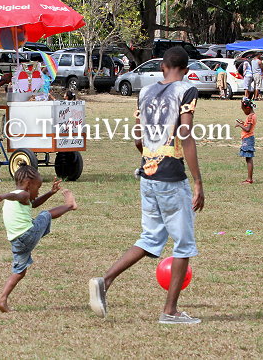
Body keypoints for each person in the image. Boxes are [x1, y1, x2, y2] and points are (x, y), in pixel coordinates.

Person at [88, 46, 205, 325]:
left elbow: (138, 139)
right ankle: (170, 312)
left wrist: (150, 156)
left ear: (162, 67)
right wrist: (198, 181)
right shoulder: (186, 90)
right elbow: (186, 136)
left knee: (151, 238)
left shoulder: (145, 92)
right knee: (184, 245)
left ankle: (105, 281)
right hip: (171, 177)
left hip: (148, 175)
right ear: (186, 70)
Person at [0, 164, 77, 312]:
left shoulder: (21, 197)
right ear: (28, 185)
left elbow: (34, 203)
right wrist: (2, 196)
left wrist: (51, 192)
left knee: (19, 271)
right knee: (45, 214)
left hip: (16, 241)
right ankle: (70, 206)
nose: (38, 192)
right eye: (38, 188)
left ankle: (2, 299)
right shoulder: (22, 195)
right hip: (27, 235)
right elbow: (18, 196)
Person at [235, 98, 257, 184]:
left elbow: (248, 129)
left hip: (248, 139)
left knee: (248, 158)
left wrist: (240, 125)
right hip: (247, 138)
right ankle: (249, 179)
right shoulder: (252, 115)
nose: (244, 112)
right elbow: (248, 126)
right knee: (248, 158)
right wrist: (243, 123)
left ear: (247, 108)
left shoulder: (251, 116)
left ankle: (249, 179)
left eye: (243, 110)